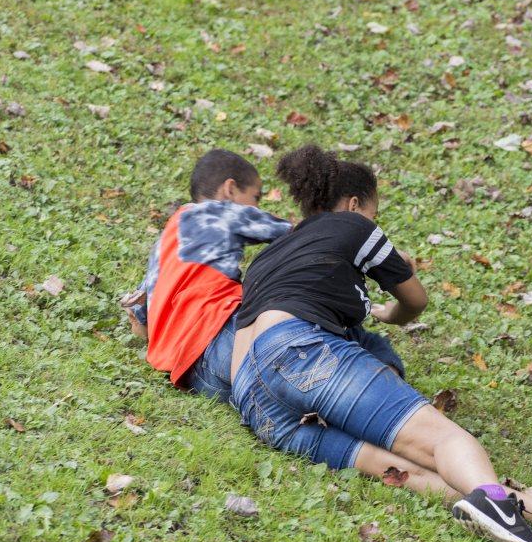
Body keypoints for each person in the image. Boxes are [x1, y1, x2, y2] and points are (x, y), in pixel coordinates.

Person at [229, 145, 532, 542]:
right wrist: (391, 310)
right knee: (445, 439)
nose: (372, 222)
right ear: (353, 205)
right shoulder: (352, 225)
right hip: (300, 350)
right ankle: (495, 504)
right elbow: (414, 302)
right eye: (373, 213)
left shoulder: (267, 258)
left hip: (253, 397)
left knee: (403, 464)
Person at [121, 148, 405, 402]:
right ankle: (386, 388)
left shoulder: (168, 238)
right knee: (356, 337)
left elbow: (140, 311)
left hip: (195, 375)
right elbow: (301, 236)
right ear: (230, 190)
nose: (256, 207)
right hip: (222, 339)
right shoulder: (220, 212)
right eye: (255, 198)